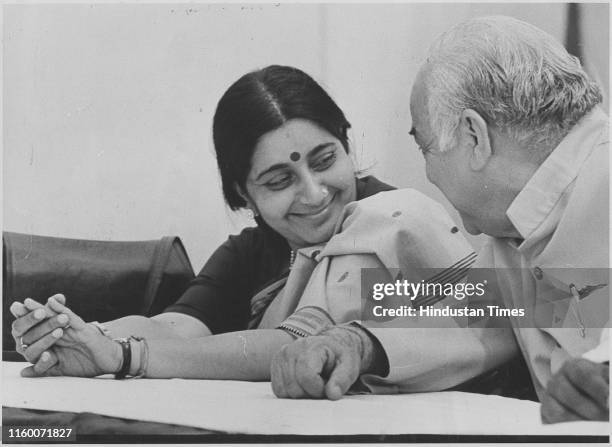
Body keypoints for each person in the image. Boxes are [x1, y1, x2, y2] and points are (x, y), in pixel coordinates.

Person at [10, 65, 487, 383]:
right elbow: (176, 328)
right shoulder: (253, 250)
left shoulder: (394, 222)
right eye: (280, 180)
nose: (315, 193)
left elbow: (293, 346)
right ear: (243, 193)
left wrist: (124, 356)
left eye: (325, 160)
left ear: (347, 143)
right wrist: (78, 334)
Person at [270, 16, 610, 424]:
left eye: (426, 148)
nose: (429, 174)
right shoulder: (514, 231)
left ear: (473, 137)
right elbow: (473, 318)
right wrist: (357, 343)